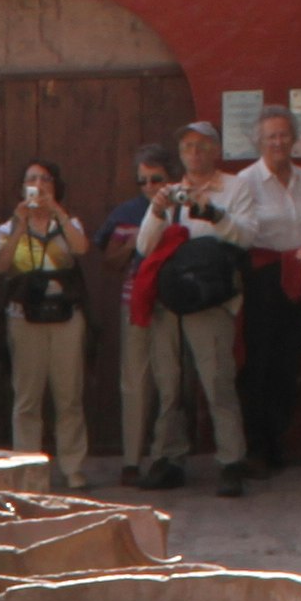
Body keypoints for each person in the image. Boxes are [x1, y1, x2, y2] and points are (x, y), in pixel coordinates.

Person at [217, 107, 301, 476]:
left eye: (283, 135)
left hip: (297, 275)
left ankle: (279, 440)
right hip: (261, 277)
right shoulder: (244, 182)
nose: (278, 142)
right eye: (270, 137)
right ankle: (256, 446)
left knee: (289, 360)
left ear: (294, 138)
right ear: (257, 142)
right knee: (257, 360)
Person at [156, 125, 254, 494]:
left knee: (217, 381)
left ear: (216, 151)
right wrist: (157, 209)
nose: (194, 153)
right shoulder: (171, 192)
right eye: (187, 146)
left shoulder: (235, 188)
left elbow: (247, 237)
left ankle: (231, 461)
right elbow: (147, 245)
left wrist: (213, 214)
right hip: (173, 299)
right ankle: (170, 458)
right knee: (170, 384)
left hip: (212, 298)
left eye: (201, 146)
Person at [0, 159, 91, 480]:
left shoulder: (67, 222)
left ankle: (73, 469)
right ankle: (29, 473)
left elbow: (82, 248)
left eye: (45, 179)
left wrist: (58, 213)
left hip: (65, 317)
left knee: (69, 396)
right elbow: (0, 266)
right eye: (32, 179)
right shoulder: (8, 229)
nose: (39, 185)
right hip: (24, 318)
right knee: (27, 399)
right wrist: (21, 224)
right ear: (22, 188)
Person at [113, 146, 187, 487]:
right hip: (135, 302)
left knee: (169, 380)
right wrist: (130, 246)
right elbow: (108, 258)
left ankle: (163, 455)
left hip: (171, 302)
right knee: (134, 382)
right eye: (141, 180)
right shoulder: (127, 211)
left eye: (155, 179)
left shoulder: (186, 208)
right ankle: (131, 458)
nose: (147, 186)